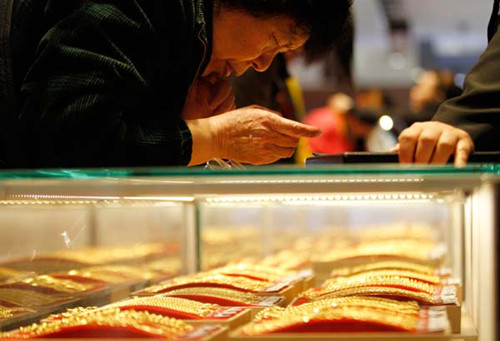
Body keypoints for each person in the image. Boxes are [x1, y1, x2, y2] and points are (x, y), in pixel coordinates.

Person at [0, 0, 352, 168]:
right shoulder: (137, 5)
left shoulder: (184, 32)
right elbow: (64, 138)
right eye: (274, 41)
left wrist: (180, 126)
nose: (262, 64)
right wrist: (215, 137)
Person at [395, 0, 500, 165]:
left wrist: (457, 123)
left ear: (438, 94)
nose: (414, 91)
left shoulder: (433, 112)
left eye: (422, 87)